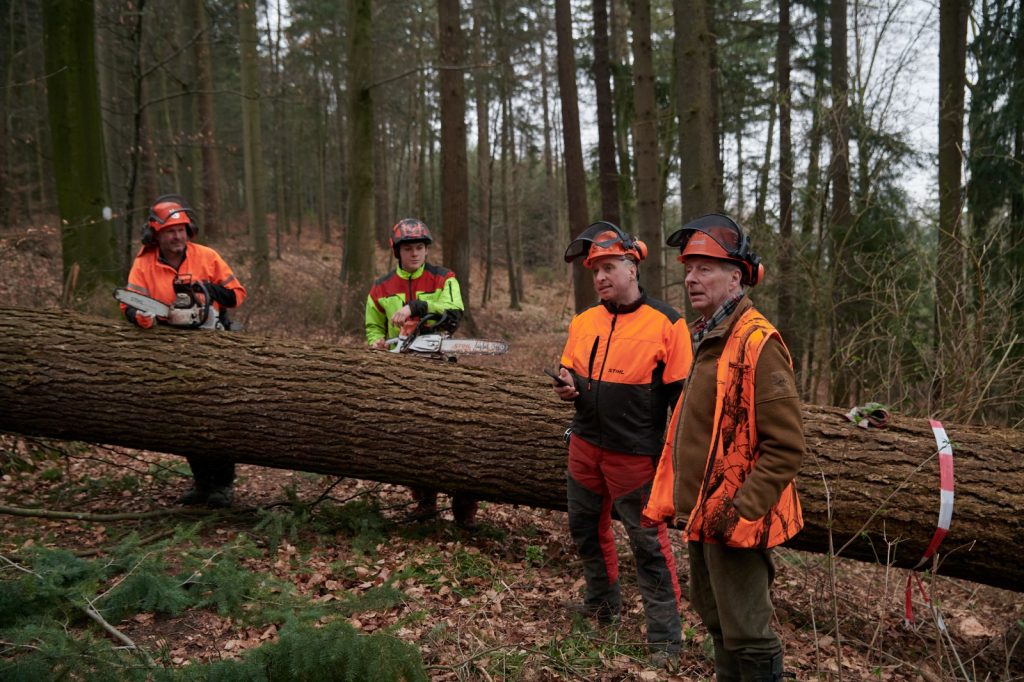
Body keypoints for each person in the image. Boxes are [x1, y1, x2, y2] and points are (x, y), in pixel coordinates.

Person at [643, 213, 805, 681]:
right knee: (720, 626)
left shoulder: (759, 341)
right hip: (702, 517)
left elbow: (786, 446)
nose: (691, 278)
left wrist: (741, 510)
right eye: (688, 268)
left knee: (750, 635)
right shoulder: (710, 335)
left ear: (736, 276)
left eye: (705, 268)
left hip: (734, 519)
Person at [551, 221, 691, 667]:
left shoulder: (668, 324)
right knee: (586, 529)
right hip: (586, 445)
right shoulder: (584, 321)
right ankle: (602, 602)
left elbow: (681, 401)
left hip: (635, 454)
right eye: (595, 271)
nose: (600, 278)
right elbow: (568, 370)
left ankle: (666, 638)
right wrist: (566, 386)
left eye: (609, 267)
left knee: (649, 544)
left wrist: (675, 460)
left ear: (633, 267)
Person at [120, 194, 247, 508]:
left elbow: (236, 295)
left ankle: (223, 484)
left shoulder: (206, 256)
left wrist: (206, 290)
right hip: (169, 346)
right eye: (170, 231)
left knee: (216, 413)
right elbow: (129, 302)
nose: (177, 236)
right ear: (156, 235)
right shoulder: (144, 264)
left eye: (181, 230)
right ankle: (202, 482)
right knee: (185, 415)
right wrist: (139, 315)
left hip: (212, 343)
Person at [364, 218, 477, 529]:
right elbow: (373, 324)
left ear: (426, 249)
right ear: (397, 252)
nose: (414, 254)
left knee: (454, 432)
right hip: (401, 369)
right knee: (411, 435)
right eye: (408, 249)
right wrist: (375, 341)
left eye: (419, 248)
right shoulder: (381, 286)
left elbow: (453, 309)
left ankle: (463, 508)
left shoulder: (444, 277)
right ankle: (424, 501)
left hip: (439, 362)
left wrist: (416, 306)